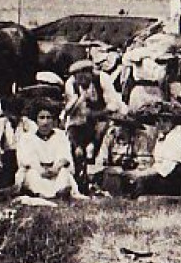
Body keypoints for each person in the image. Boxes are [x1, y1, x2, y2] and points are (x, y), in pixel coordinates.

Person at [63, 59, 118, 191]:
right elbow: (70, 113)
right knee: (74, 143)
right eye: (78, 77)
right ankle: (78, 179)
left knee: (100, 138)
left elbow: (113, 105)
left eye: (85, 76)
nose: (82, 81)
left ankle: (97, 177)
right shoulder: (71, 84)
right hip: (80, 121)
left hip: (104, 117)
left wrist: (95, 114)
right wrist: (79, 99)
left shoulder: (103, 79)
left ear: (91, 74)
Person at [15, 103, 79, 201]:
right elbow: (28, 160)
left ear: (53, 120)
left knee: (64, 172)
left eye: (49, 118)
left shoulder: (60, 135)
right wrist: (41, 171)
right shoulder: (27, 138)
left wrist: (55, 168)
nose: (45, 122)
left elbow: (64, 156)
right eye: (41, 117)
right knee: (31, 174)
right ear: (36, 120)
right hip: (38, 173)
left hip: (55, 173)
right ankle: (41, 194)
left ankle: (60, 192)